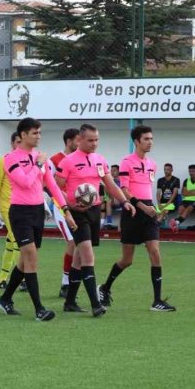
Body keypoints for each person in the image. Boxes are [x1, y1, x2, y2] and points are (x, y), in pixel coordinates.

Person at [0, 118, 75, 321]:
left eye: (39, 133)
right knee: (31, 256)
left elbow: (52, 186)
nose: (38, 136)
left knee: (24, 261)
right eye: (34, 133)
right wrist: (38, 164)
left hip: (38, 211)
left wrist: (65, 209)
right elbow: (24, 182)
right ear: (22, 135)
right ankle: (39, 309)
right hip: (20, 213)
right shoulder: (11, 158)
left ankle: (5, 298)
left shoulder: (43, 160)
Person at [56, 124, 135, 317]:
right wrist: (70, 205)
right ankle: (95, 304)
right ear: (79, 140)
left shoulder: (100, 160)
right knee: (88, 256)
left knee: (78, 257)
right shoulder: (68, 162)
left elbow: (110, 184)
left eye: (97, 140)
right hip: (77, 213)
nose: (94, 144)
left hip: (93, 211)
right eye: (90, 140)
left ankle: (69, 302)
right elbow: (56, 188)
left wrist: (125, 201)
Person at [98, 125, 175, 312]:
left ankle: (157, 301)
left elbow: (146, 190)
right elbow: (124, 190)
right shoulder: (126, 162)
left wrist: (155, 209)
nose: (150, 142)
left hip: (148, 211)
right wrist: (142, 207)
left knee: (154, 251)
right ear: (137, 142)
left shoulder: (152, 164)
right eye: (146, 139)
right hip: (132, 211)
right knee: (127, 260)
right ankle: (105, 288)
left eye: (151, 138)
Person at [49, 128, 79, 298]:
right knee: (73, 242)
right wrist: (62, 198)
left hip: (79, 208)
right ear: (68, 141)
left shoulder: (81, 158)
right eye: (77, 140)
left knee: (80, 244)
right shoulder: (55, 160)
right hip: (61, 208)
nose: (80, 143)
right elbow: (49, 185)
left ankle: (72, 281)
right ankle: (65, 283)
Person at [0, 133, 20, 288]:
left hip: (23, 207)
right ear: (12, 143)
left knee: (11, 243)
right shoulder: (3, 161)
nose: (20, 145)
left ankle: (2, 279)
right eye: (17, 142)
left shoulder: (27, 161)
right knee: (19, 242)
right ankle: (24, 279)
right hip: (7, 208)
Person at [171, 164, 195, 231]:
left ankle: (177, 221)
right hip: (186, 200)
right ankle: (177, 225)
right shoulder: (186, 180)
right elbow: (184, 193)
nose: (191, 173)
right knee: (180, 209)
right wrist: (194, 191)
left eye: (193, 171)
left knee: (188, 209)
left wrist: (189, 192)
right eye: (190, 171)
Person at [102, 164, 123, 230]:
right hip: (113, 200)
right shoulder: (111, 181)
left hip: (123, 201)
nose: (112, 172)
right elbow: (108, 193)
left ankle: (121, 226)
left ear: (119, 171)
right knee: (108, 201)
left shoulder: (123, 181)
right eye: (111, 171)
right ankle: (109, 223)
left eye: (114, 170)